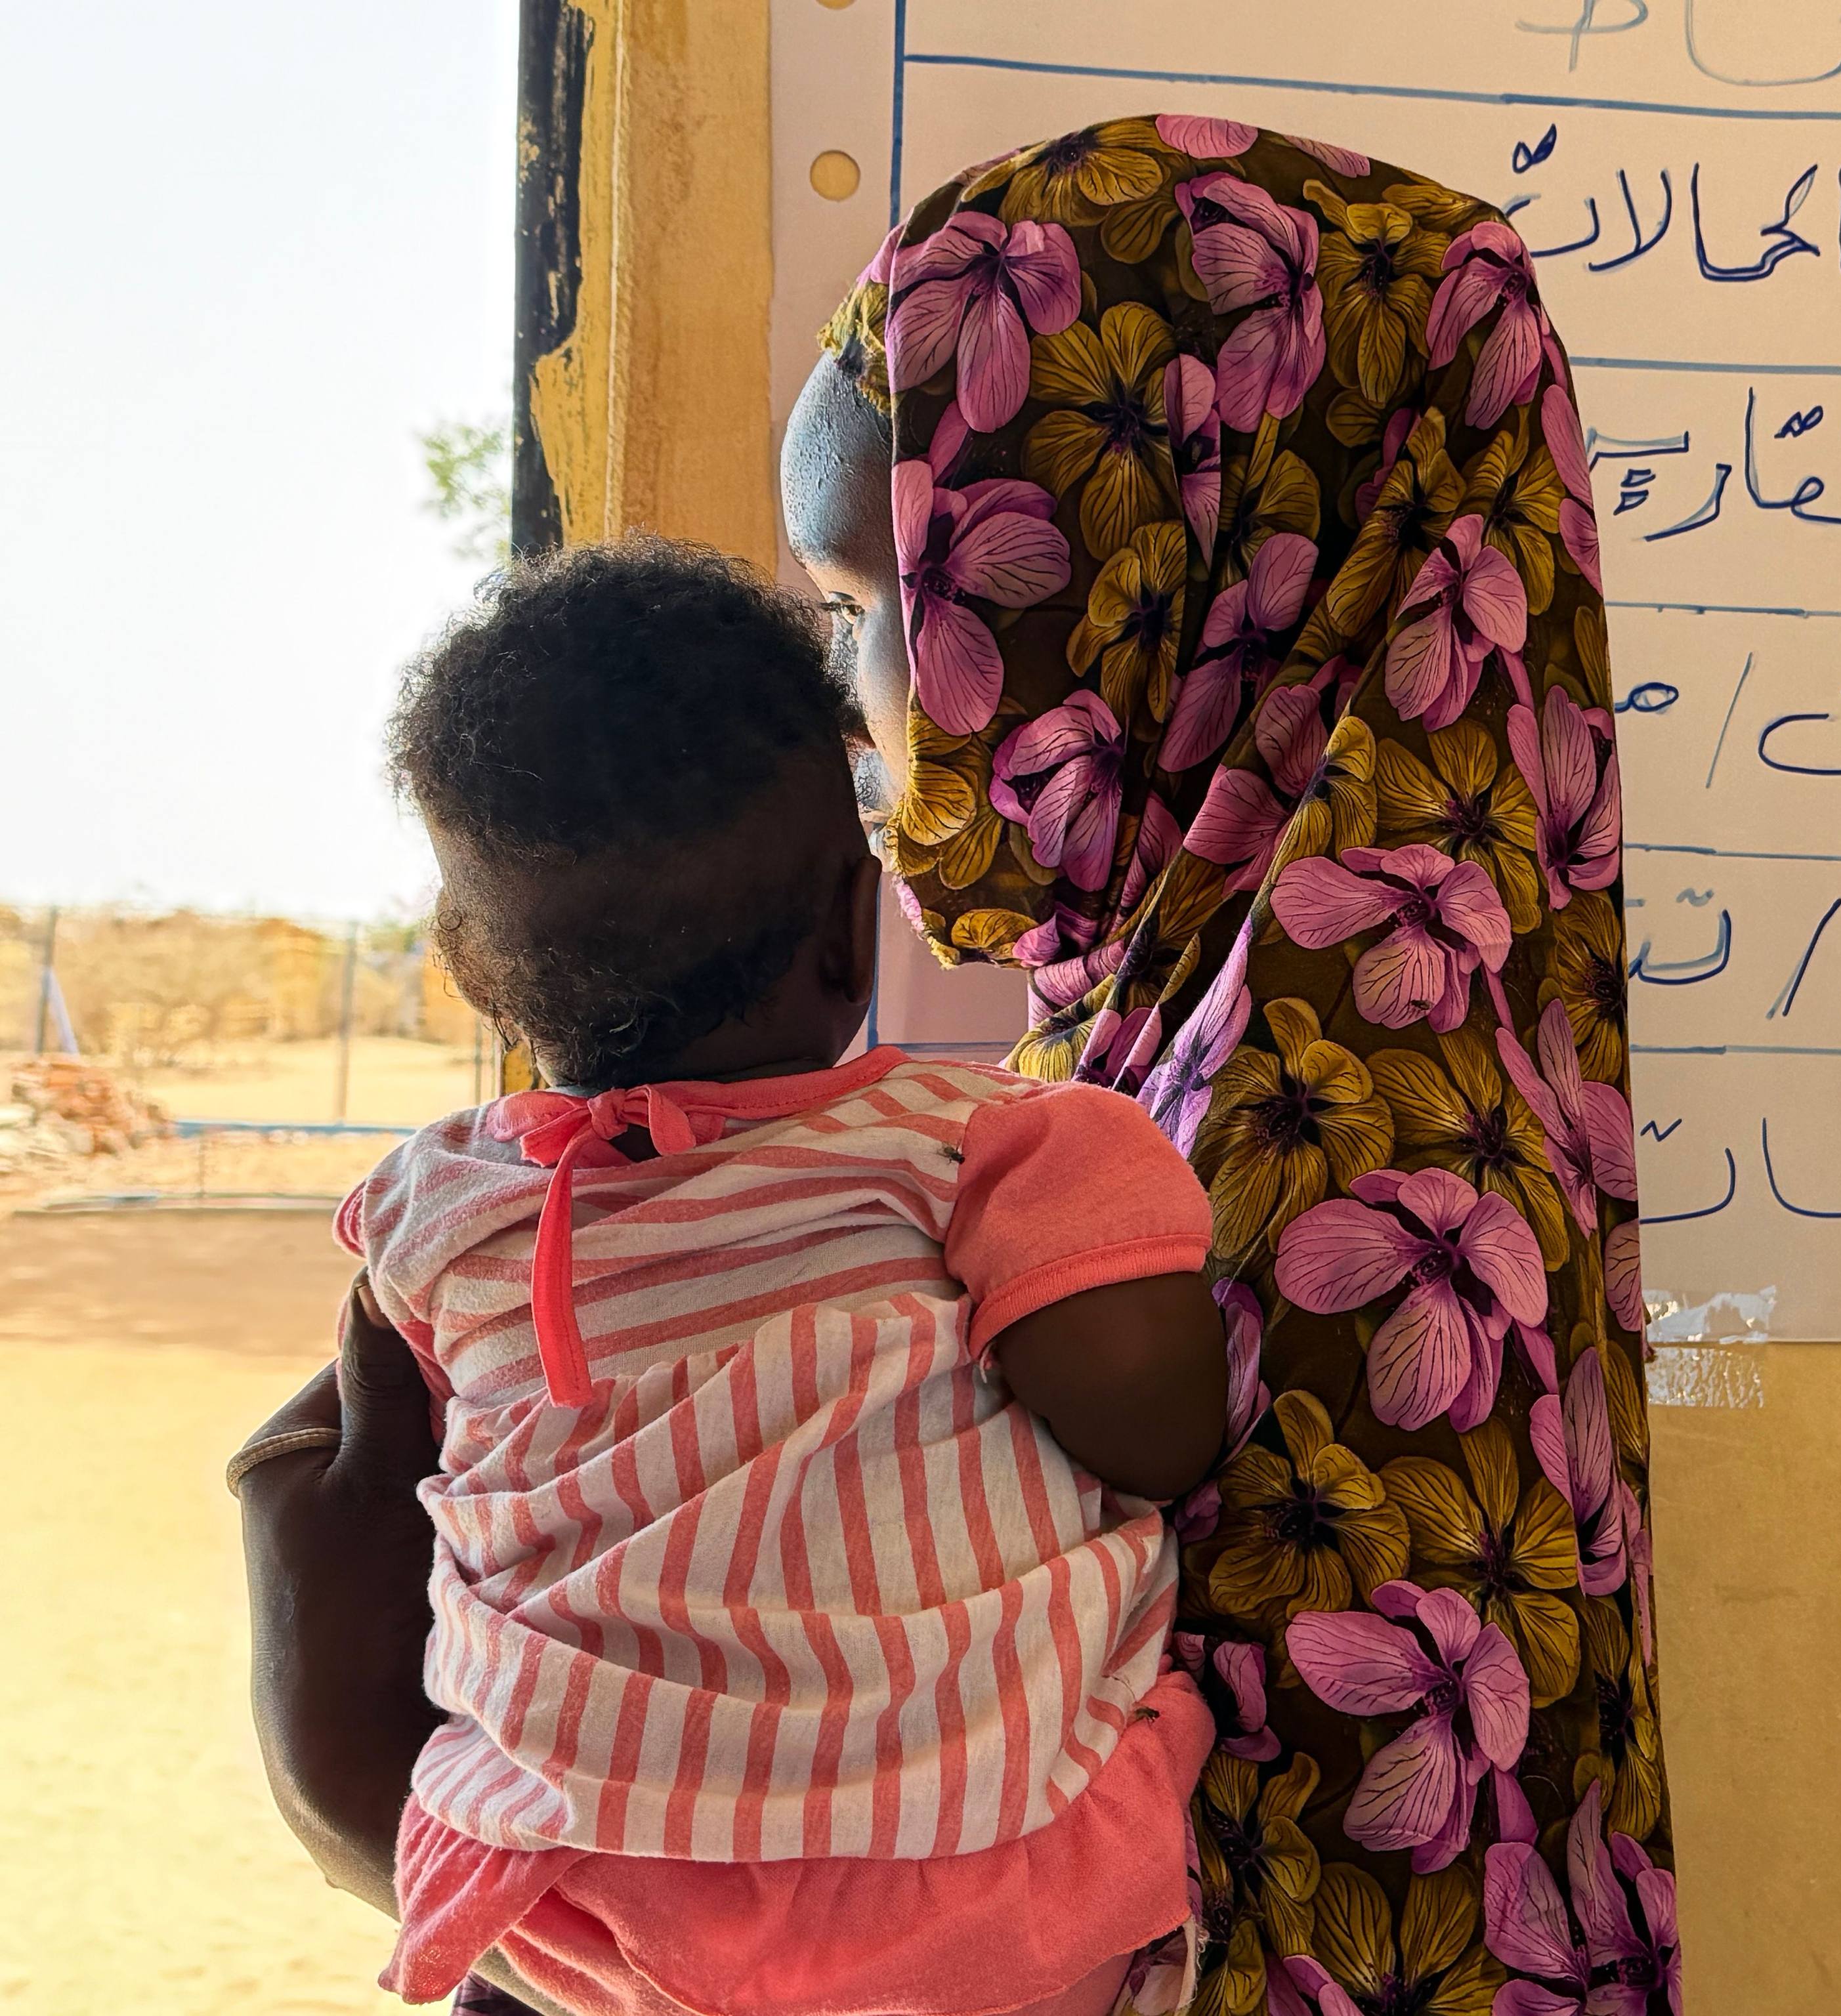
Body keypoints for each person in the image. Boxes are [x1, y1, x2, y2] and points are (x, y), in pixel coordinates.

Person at [236, 117, 1676, 2015]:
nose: (854, 716)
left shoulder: (1354, 1144)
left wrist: (363, 1734)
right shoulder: (1160, 1022)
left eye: (866, 616)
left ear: (1130, 578)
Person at [240, 538, 1230, 2016]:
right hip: (981, 1914)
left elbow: (378, 1479)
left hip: (587, 1913)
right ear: (852, 923)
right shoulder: (994, 1151)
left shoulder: (436, 1219)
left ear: (472, 968)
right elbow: (1160, 1437)